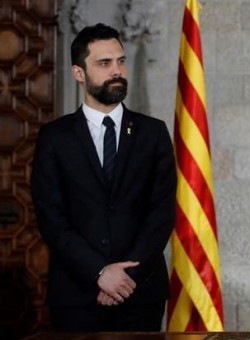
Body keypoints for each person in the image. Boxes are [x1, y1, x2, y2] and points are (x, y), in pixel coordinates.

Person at [31, 23, 176, 331]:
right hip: (77, 293)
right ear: (78, 73)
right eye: (104, 63)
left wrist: (124, 278)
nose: (116, 70)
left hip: (140, 293)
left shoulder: (153, 133)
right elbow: (51, 219)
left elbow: (161, 213)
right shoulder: (54, 138)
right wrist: (100, 272)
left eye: (121, 61)